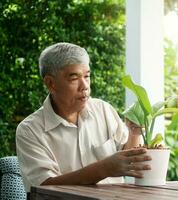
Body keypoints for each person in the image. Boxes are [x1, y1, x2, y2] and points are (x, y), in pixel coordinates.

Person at [16, 42, 151, 193]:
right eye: (74, 78)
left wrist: (134, 133)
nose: (84, 86)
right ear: (51, 83)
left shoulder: (103, 110)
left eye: (87, 76)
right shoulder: (30, 130)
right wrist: (104, 168)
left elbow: (129, 158)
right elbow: (44, 186)